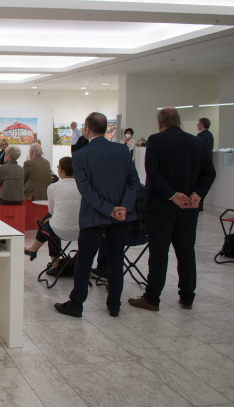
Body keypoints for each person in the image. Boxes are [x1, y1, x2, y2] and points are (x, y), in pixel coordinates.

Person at [128, 107, 216, 312]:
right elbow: (209, 173)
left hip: (161, 207)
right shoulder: (198, 142)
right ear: (179, 121)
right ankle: (187, 297)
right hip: (189, 207)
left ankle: (152, 298)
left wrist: (172, 195)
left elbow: (153, 172)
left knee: (159, 251)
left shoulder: (156, 140)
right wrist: (197, 193)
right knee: (186, 251)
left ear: (160, 123)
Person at [54, 112, 140, 318]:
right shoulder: (122, 150)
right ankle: (114, 304)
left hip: (94, 215)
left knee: (85, 259)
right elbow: (133, 182)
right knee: (116, 259)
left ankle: (76, 304)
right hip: (120, 216)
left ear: (86, 129)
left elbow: (86, 190)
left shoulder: (81, 154)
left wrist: (109, 209)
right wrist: (123, 208)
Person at [24, 157, 81, 275]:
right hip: (81, 231)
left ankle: (54, 265)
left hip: (60, 230)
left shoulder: (53, 187)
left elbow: (52, 210)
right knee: (49, 222)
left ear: (60, 169)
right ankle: (34, 249)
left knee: (48, 225)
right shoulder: (82, 186)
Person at [0, 145, 24, 216]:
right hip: (20, 199)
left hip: (5, 199)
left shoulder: (3, 168)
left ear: (8, 156)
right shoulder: (21, 169)